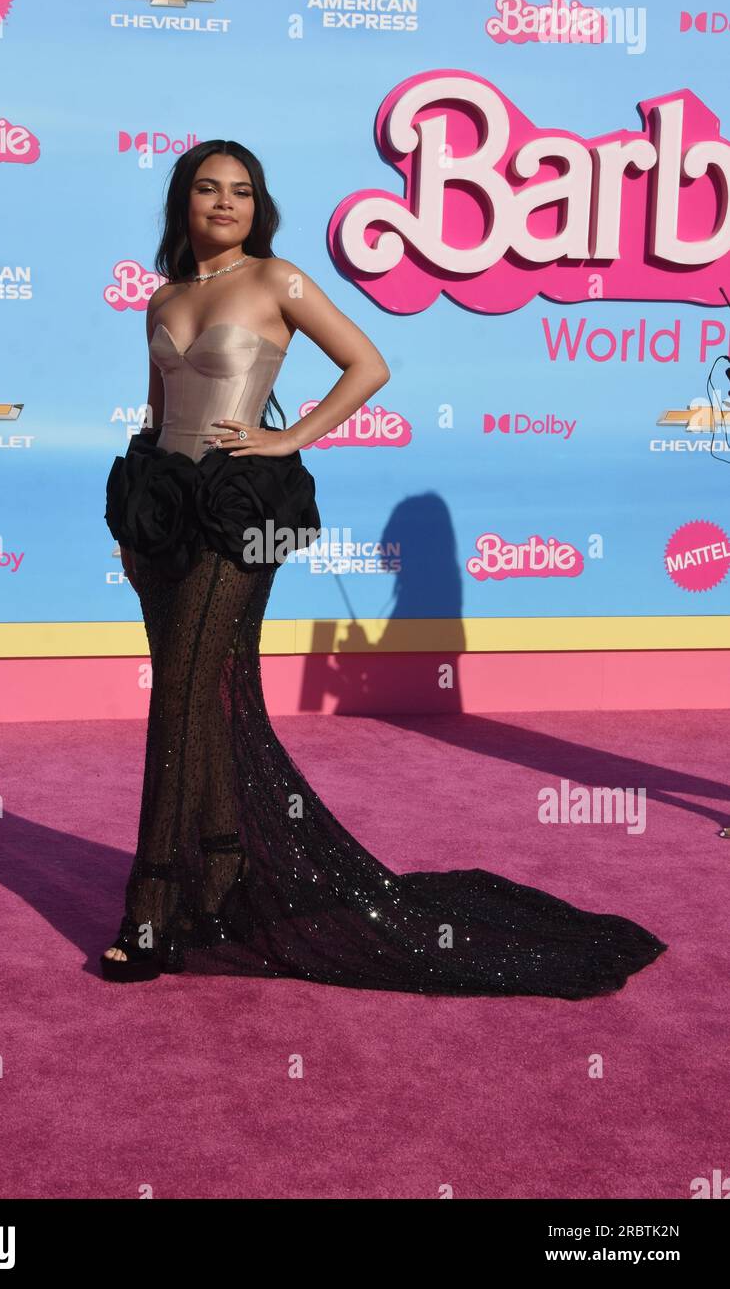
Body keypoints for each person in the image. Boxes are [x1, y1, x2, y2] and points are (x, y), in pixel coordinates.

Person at [101, 139, 668, 998]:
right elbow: (156, 409)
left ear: (259, 207)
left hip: (239, 509)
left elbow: (369, 365)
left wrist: (286, 438)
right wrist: (134, 520)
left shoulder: (277, 280)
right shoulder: (166, 295)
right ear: (183, 202)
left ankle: (152, 904)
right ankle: (218, 884)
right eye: (209, 190)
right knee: (206, 696)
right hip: (162, 511)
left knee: (181, 694)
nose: (225, 203)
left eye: (243, 192)